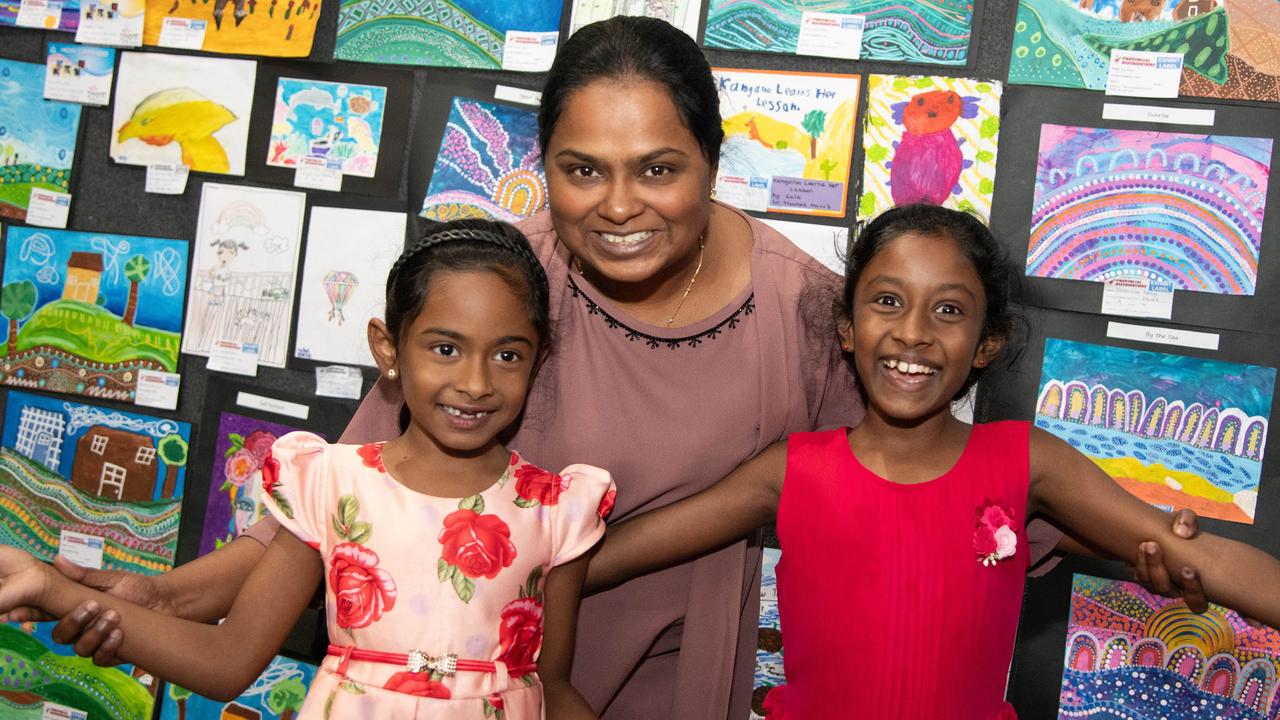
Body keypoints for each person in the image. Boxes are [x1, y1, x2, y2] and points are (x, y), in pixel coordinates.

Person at [3, 16, 1210, 718]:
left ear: (712, 159)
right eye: (583, 169)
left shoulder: (804, 307)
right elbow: (355, 490)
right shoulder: (497, 289)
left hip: (678, 672)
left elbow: (921, 476)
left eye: (658, 168)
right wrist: (164, 595)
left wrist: (1127, 540)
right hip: (480, 664)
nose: (619, 206)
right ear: (543, 168)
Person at [582, 204, 1280, 719]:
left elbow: (1198, 554)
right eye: (888, 302)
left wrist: (1190, 557)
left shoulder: (1025, 462)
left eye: (948, 310)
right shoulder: (793, 472)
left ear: (987, 344)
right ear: (848, 328)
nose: (912, 332)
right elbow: (608, 556)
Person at [0, 220, 615, 719]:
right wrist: (54, 590)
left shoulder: (558, 508)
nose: (476, 382)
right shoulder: (329, 483)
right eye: (445, 348)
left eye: (508, 354)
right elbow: (228, 659)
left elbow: (553, 690)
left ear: (538, 361)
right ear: (389, 350)